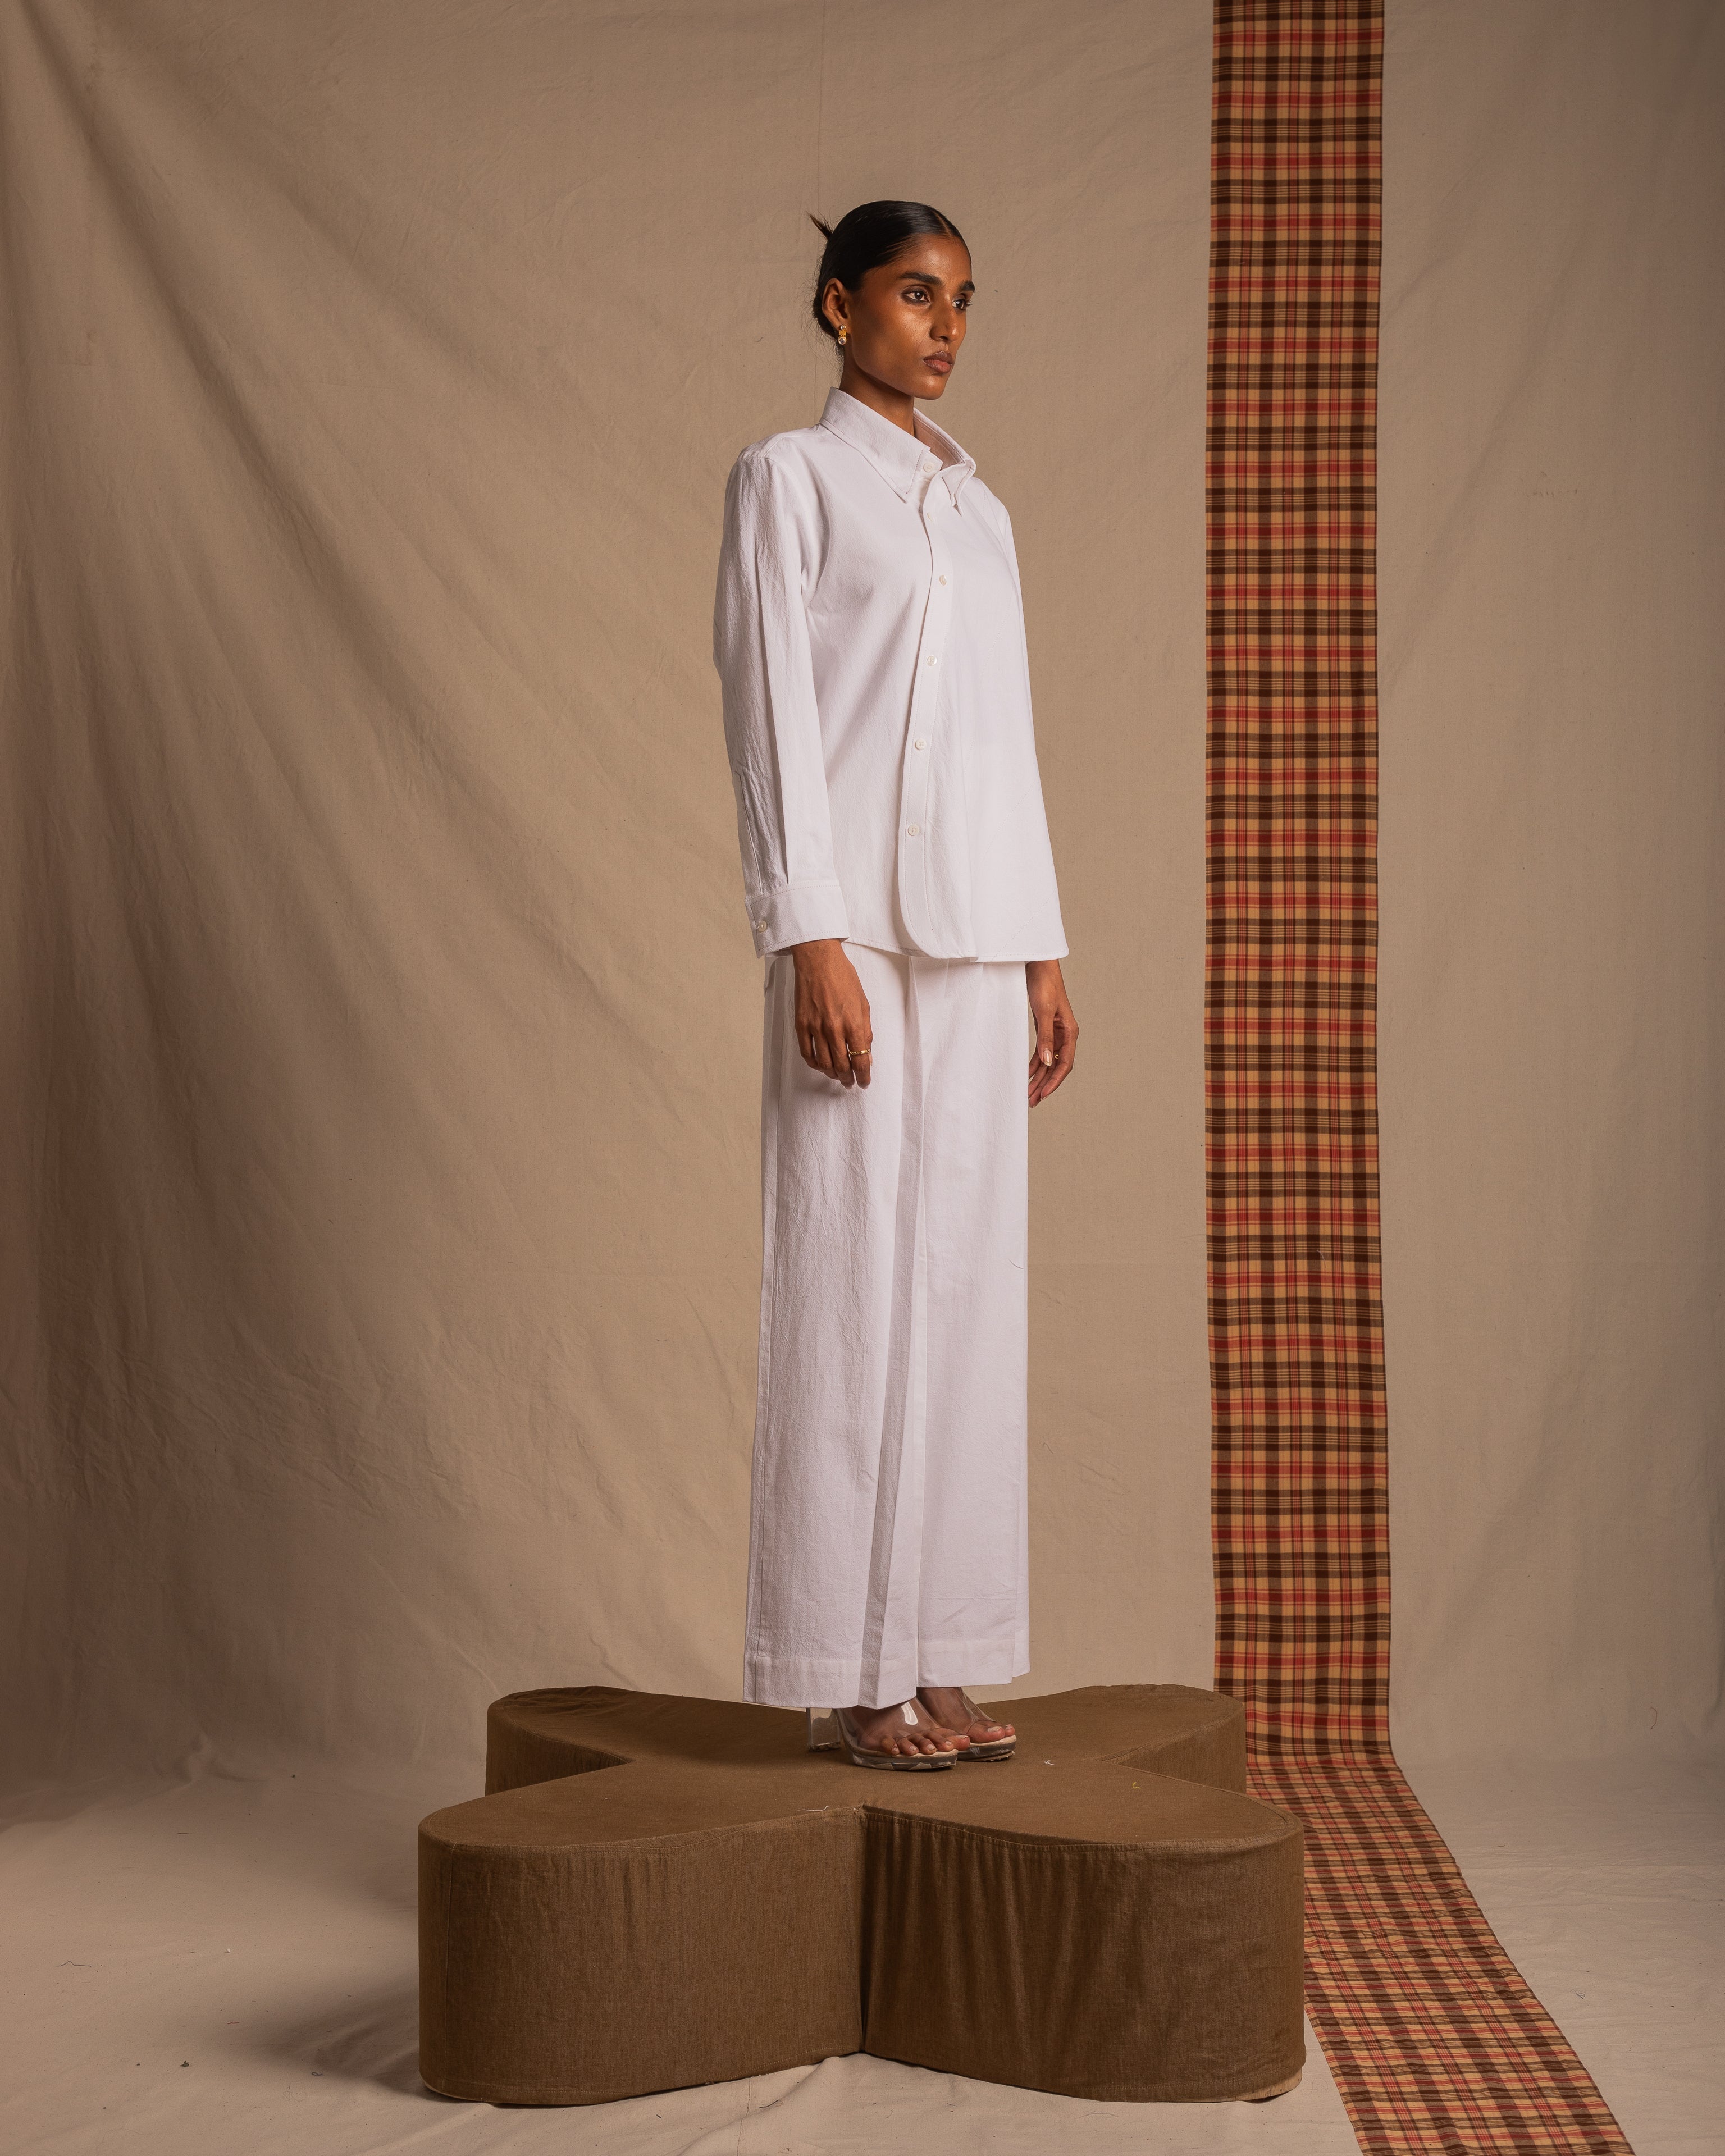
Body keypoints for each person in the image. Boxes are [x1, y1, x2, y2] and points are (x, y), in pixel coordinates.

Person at [711, 201, 1078, 1770]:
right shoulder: (788, 483)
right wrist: (809, 934)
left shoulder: (981, 515)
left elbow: (1005, 740)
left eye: (965, 302)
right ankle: (850, 1674)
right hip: (853, 940)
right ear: (835, 303)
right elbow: (772, 713)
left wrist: (1046, 945)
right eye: (918, 294)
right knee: (852, 1286)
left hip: (982, 941)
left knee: (964, 1298)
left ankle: (934, 1657)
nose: (946, 326)